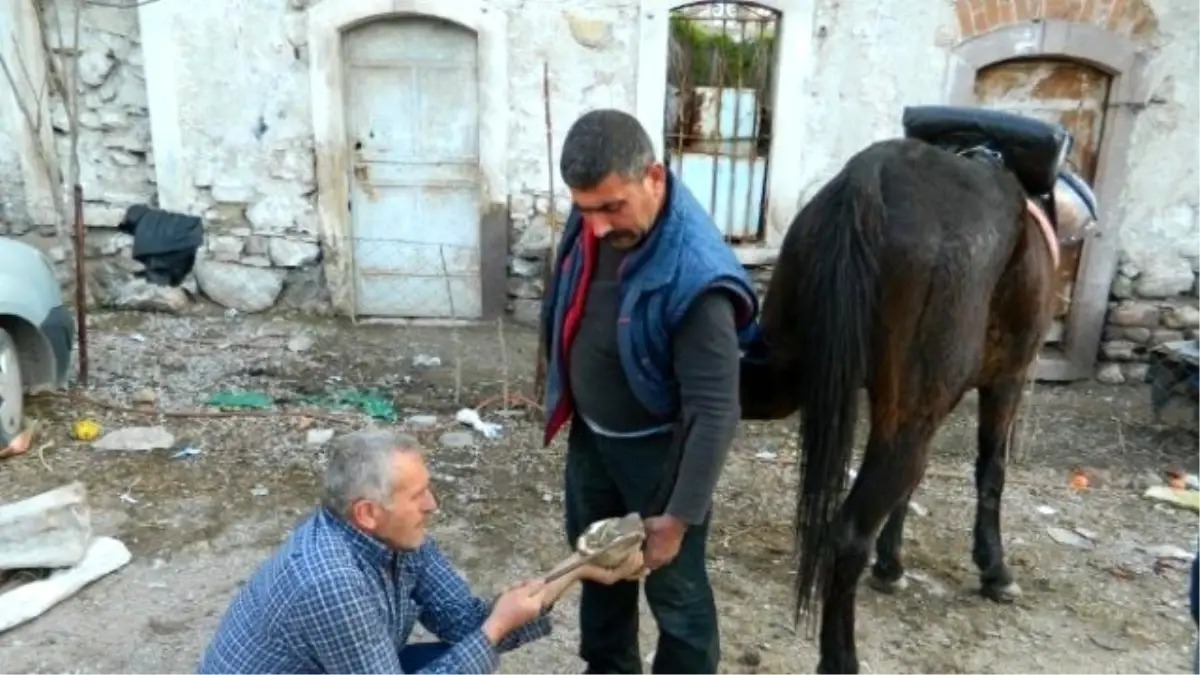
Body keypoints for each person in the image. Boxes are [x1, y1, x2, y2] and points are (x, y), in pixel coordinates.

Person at [540, 108, 760, 674]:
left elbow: (716, 409)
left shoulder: (697, 275)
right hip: (595, 438)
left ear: (654, 178)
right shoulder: (597, 213)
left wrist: (678, 518)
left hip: (659, 454)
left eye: (612, 207)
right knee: (597, 566)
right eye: (585, 210)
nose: (597, 228)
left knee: (676, 594)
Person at [197, 429, 643, 675]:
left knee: (457, 661)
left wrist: (578, 566)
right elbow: (486, 633)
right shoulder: (330, 580)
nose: (433, 505)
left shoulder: (398, 540)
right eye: (419, 495)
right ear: (368, 513)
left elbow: (466, 622)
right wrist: (494, 630)